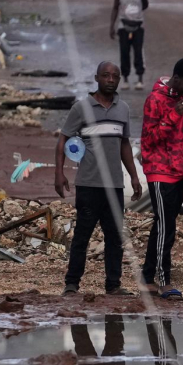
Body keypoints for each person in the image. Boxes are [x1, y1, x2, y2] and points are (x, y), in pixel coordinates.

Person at [56, 61, 142, 297]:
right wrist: (59, 172)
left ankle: (113, 285)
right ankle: (72, 283)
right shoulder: (81, 108)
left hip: (114, 184)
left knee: (114, 237)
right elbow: (63, 140)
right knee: (82, 236)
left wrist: (134, 176)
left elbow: (124, 144)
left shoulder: (122, 108)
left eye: (115, 76)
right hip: (88, 184)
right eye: (106, 75)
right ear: (97, 78)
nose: (111, 79)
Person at [140, 58, 183, 299]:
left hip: (179, 172)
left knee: (163, 225)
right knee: (166, 227)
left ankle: (147, 278)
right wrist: (172, 115)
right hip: (159, 171)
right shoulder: (155, 100)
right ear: (176, 78)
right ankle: (164, 281)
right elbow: (149, 139)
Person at [110, 0, 149, 91]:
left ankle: (140, 79)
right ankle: (125, 79)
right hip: (123, 26)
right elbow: (115, 8)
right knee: (124, 53)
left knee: (138, 52)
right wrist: (112, 26)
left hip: (138, 26)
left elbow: (145, 4)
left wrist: (136, 14)